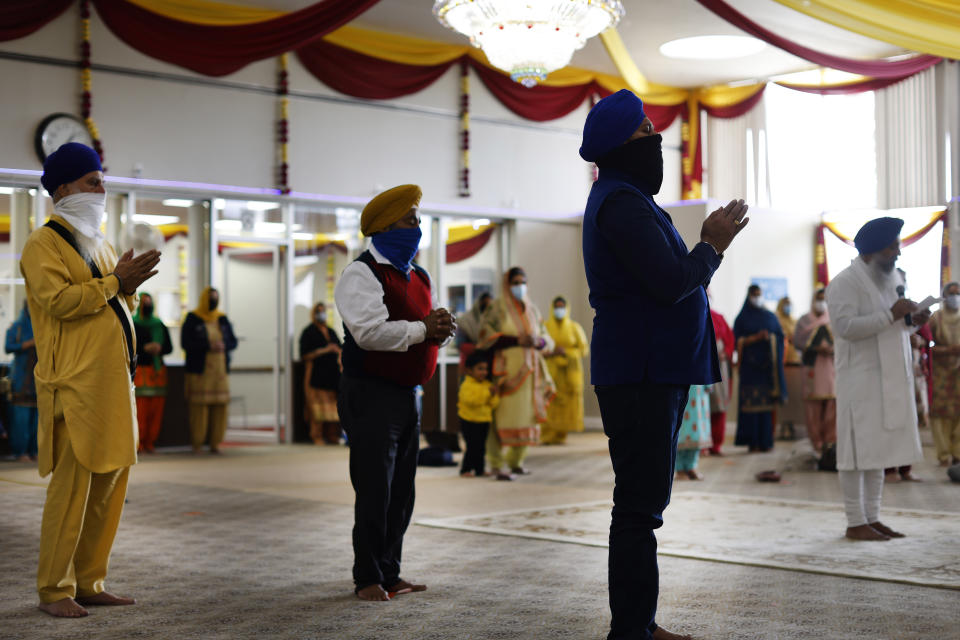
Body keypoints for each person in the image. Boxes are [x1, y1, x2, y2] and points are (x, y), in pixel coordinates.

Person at [579, 89, 749, 640]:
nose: (656, 138)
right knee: (637, 507)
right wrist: (712, 246)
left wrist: (704, 251)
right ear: (620, 146)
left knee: (643, 504)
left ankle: (639, 624)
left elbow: (671, 279)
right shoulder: (621, 203)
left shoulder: (627, 197)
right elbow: (671, 281)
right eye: (645, 130)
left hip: (649, 369)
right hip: (640, 372)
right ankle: (631, 630)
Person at [21, 142, 161, 617]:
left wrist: (129, 291)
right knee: (72, 491)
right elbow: (58, 301)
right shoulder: (44, 243)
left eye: (102, 181)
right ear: (63, 189)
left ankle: (88, 580)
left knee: (110, 485)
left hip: (113, 384)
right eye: (92, 182)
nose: (102, 190)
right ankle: (53, 589)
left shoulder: (98, 244)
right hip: (74, 386)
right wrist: (114, 284)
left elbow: (111, 304)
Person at [334, 184, 456, 601]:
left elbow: (428, 330)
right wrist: (425, 329)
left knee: (402, 489)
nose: (417, 228)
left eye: (419, 219)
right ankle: (367, 576)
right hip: (370, 393)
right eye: (410, 220)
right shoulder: (361, 273)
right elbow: (368, 334)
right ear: (385, 227)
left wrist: (441, 332)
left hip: (408, 395)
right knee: (375, 487)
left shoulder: (420, 275)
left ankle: (390, 571)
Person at [826, 217, 929, 541]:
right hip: (860, 381)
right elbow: (846, 328)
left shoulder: (891, 278)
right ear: (874, 251)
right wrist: (892, 315)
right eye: (892, 246)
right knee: (856, 452)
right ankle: (855, 520)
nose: (898, 252)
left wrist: (912, 321)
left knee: (878, 450)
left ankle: (872, 517)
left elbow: (894, 326)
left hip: (890, 378)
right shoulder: (844, 283)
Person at [477, 267, 555, 480]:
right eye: (515, 282)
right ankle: (496, 463)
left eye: (523, 282)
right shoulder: (497, 308)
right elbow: (484, 335)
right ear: (507, 284)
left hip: (531, 373)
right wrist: (516, 341)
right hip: (506, 373)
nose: (519, 286)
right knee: (499, 418)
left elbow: (547, 337)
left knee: (528, 417)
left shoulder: (532, 309)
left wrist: (538, 341)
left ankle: (516, 461)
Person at [181, 287, 237, 455]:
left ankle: (216, 443)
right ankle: (197, 443)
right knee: (199, 408)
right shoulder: (193, 318)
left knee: (220, 407)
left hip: (220, 372)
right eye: (210, 298)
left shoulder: (223, 319)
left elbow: (233, 341)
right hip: (200, 371)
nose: (213, 301)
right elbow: (186, 343)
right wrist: (208, 346)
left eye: (216, 298)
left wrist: (224, 346)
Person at [734, 285, 787, 452]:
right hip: (750, 369)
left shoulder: (769, 317)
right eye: (754, 295)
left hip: (766, 370)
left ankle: (766, 441)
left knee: (765, 407)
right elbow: (736, 341)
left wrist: (770, 337)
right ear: (749, 296)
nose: (757, 298)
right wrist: (754, 338)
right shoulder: (742, 318)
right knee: (750, 406)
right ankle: (752, 442)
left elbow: (780, 337)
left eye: (759, 295)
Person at [793, 288, 836, 457]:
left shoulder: (832, 319)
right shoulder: (804, 321)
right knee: (813, 408)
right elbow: (797, 341)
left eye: (824, 299)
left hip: (830, 369)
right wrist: (815, 347)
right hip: (812, 368)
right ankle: (817, 443)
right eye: (818, 299)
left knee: (832, 406)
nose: (821, 302)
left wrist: (831, 349)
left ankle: (830, 443)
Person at [542, 295, 589, 445]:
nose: (559, 310)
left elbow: (583, 349)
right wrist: (553, 353)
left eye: (562, 307)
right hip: (551, 370)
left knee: (566, 403)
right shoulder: (545, 327)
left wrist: (567, 353)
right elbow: (540, 347)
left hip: (569, 372)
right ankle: (547, 434)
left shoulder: (575, 328)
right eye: (557, 307)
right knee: (550, 401)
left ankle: (561, 433)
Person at [132, 292, 173, 453]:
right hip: (141, 371)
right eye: (145, 302)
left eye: (150, 302)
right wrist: (144, 349)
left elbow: (169, 347)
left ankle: (150, 442)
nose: (147, 305)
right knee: (140, 411)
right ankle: (139, 443)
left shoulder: (159, 324)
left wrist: (159, 348)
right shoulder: (134, 323)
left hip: (158, 372)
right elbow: (130, 347)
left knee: (156, 411)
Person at [299, 302, 342, 445]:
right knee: (316, 409)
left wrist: (336, 350)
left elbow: (341, 347)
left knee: (333, 408)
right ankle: (316, 435)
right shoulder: (308, 332)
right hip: (316, 375)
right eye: (318, 311)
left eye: (323, 311)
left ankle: (333, 436)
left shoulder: (331, 331)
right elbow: (304, 355)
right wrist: (324, 350)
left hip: (332, 376)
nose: (321, 314)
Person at [928, 281, 960, 467]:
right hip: (940, 373)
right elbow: (927, 347)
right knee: (940, 413)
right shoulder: (935, 318)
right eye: (951, 294)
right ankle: (943, 454)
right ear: (944, 296)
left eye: (958, 293)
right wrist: (948, 350)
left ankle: (958, 453)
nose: (955, 297)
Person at [457, 350, 499, 477]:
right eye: (480, 369)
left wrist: (493, 396)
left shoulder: (487, 384)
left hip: (484, 420)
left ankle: (480, 470)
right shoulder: (466, 385)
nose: (484, 372)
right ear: (469, 370)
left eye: (485, 369)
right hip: (469, 420)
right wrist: (488, 394)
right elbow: (471, 401)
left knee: (481, 447)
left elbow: (494, 403)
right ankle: (466, 470)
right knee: (472, 446)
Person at [5, 302, 38, 461]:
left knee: (38, 419)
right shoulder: (17, 326)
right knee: (21, 418)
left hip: (38, 379)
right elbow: (8, 346)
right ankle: (21, 451)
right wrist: (28, 343)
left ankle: (35, 450)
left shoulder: (44, 324)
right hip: (21, 377)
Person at [708, 305, 735, 455]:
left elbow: (730, 340)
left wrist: (725, 353)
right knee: (705, 407)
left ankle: (716, 444)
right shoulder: (696, 313)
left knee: (720, 406)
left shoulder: (719, 317)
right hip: (705, 365)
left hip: (721, 366)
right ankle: (704, 445)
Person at [676, 385, 711, 480]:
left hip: (699, 390)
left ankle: (691, 466)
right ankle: (679, 468)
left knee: (698, 431)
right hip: (682, 386)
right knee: (682, 429)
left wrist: (709, 382)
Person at [456, 291, 492, 376]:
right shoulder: (466, 320)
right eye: (484, 304)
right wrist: (477, 347)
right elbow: (459, 344)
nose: (487, 308)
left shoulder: (493, 320)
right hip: (469, 368)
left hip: (487, 368)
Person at [776, 296, 801, 365]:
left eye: (789, 304)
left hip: (796, 357)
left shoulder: (794, 320)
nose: (788, 306)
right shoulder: (776, 319)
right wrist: (787, 338)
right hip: (783, 357)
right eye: (786, 304)